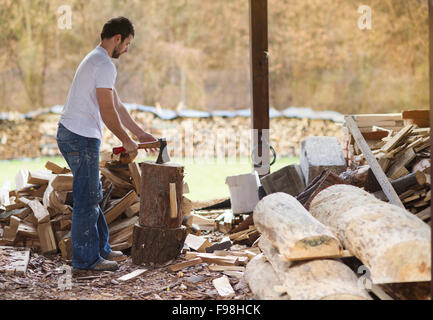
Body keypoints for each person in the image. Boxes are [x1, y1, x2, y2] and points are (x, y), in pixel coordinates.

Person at [56, 17, 156, 271]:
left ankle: (100, 250)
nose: (126, 50)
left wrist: (140, 134)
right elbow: (107, 109)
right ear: (118, 38)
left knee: (93, 194)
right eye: (127, 44)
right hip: (80, 137)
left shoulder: (97, 60)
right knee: (87, 199)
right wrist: (125, 140)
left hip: (73, 134)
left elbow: (117, 106)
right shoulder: (103, 63)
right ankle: (85, 261)